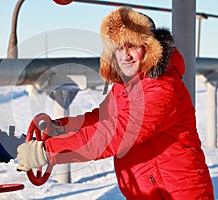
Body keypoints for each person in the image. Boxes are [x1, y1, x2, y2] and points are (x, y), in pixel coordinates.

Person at [16, 6, 214, 199]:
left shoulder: (162, 89)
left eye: (133, 46)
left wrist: (48, 152)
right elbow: (101, 118)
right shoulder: (126, 85)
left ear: (149, 48)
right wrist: (60, 128)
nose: (125, 55)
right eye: (119, 47)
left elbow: (112, 135)